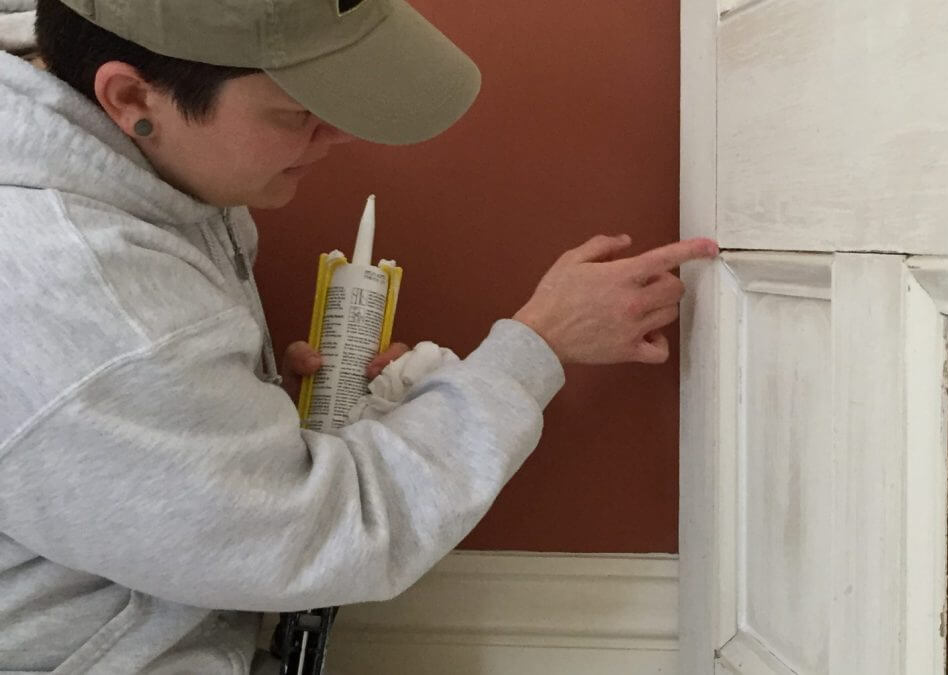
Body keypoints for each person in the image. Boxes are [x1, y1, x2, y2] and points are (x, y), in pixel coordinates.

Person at [0, 0, 718, 672]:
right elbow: (313, 536)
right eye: (296, 109)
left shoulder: (152, 178)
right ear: (131, 99)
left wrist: (228, 410)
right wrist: (538, 344)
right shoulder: (87, 293)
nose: (339, 131)